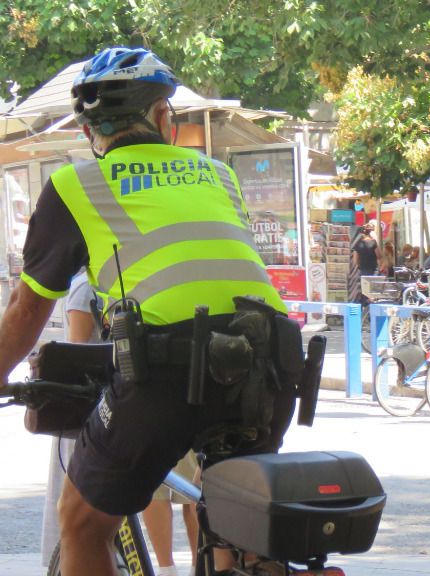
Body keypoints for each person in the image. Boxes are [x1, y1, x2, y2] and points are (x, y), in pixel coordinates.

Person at [0, 47, 298, 576]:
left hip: (166, 368)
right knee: (236, 515)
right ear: (164, 117)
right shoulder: (218, 175)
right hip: (271, 359)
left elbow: (26, 308)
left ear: (91, 130)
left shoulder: (76, 184)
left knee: (81, 523)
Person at [40, 270, 102, 567]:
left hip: (88, 407)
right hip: (92, 405)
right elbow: (78, 349)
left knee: (79, 508)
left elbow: (76, 349)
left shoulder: (85, 288)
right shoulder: (89, 288)